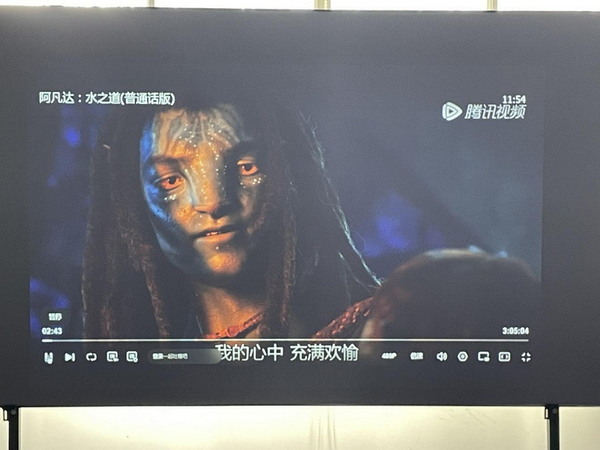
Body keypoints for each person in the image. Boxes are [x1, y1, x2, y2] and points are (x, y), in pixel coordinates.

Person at [82, 95, 379, 339]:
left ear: (290, 177)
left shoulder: (379, 329)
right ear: (133, 201)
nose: (212, 202)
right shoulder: (136, 359)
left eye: (246, 167)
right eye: (170, 180)